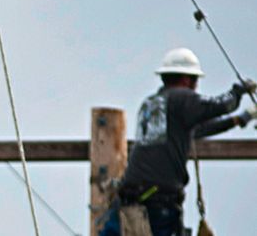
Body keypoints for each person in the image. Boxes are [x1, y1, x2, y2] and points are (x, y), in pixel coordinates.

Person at [99, 48, 257, 236]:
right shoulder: (181, 97)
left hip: (131, 197)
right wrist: (237, 92)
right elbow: (220, 105)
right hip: (158, 199)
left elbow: (199, 130)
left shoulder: (152, 103)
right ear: (186, 79)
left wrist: (239, 119)